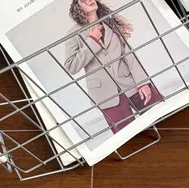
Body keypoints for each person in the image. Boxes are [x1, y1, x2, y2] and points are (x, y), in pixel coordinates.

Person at [64, 0, 163, 134]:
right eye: (83, 0)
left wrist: (142, 82)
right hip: (104, 93)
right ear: (77, 6)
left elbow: (128, 53)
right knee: (126, 134)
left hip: (130, 81)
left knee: (162, 110)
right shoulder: (73, 34)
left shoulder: (110, 22)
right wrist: (92, 41)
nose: (89, 0)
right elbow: (71, 66)